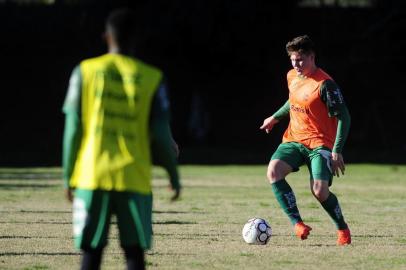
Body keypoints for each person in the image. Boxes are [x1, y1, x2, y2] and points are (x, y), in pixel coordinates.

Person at [62, 8, 181, 270]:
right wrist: (173, 175)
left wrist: (67, 175)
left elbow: (72, 129)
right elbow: (161, 135)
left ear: (106, 37)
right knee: (134, 255)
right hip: (134, 177)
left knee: (91, 253)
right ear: (137, 39)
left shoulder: (84, 72)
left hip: (92, 176)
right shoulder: (152, 78)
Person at [260, 35, 351, 245]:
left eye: (300, 59)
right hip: (294, 139)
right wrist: (274, 117)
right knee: (273, 172)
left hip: (320, 144)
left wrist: (336, 150)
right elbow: (293, 100)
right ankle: (298, 224)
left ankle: (342, 229)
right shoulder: (292, 76)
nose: (296, 65)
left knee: (319, 191)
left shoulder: (326, 85)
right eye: (293, 60)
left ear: (312, 57)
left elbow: (344, 117)